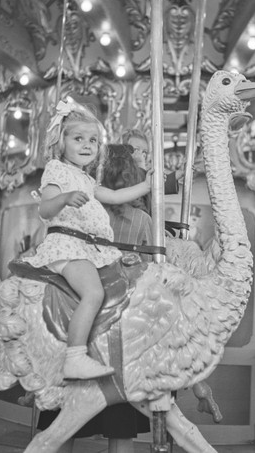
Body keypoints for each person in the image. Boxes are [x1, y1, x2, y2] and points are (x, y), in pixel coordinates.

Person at [22, 100, 151, 380]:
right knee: (94, 293)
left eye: (92, 140)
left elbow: (115, 197)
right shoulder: (56, 169)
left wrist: (149, 184)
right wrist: (64, 198)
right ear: (61, 142)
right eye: (78, 138)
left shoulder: (85, 178)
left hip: (86, 247)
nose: (86, 145)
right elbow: (45, 209)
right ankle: (75, 357)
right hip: (68, 246)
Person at [37, 143, 152, 453]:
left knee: (62, 423)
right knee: (121, 426)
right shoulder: (139, 220)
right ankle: (75, 357)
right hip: (116, 322)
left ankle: (64, 358)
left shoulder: (86, 193)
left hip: (81, 292)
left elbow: (109, 197)